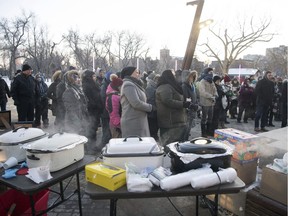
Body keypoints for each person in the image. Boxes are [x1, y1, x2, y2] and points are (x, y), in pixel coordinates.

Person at [156, 69, 188, 149]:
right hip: (170, 122)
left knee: (176, 144)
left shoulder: (171, 86)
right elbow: (167, 101)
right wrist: (183, 104)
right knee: (169, 145)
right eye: (173, 75)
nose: (174, 76)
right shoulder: (164, 87)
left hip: (176, 120)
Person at [120, 66, 153, 138]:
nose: (139, 74)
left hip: (137, 120)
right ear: (130, 74)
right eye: (137, 72)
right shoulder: (128, 85)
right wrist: (150, 107)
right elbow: (136, 103)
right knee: (134, 146)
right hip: (132, 122)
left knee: (141, 146)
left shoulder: (134, 84)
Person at [62, 70, 89, 135]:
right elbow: (71, 111)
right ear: (71, 81)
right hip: (74, 124)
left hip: (81, 119)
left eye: (79, 78)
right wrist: (78, 125)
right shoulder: (69, 92)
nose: (78, 80)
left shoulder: (79, 90)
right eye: (75, 78)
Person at [82, 69, 103, 143]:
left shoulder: (94, 84)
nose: (95, 77)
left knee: (94, 127)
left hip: (96, 109)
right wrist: (95, 104)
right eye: (93, 76)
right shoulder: (86, 86)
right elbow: (88, 99)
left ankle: (92, 143)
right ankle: (90, 144)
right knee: (91, 127)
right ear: (89, 77)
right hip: (92, 110)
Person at [198, 67, 218, 137]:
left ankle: (208, 131)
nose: (211, 74)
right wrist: (211, 96)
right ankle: (203, 133)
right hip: (205, 102)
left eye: (212, 73)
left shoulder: (211, 81)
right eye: (210, 73)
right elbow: (202, 92)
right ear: (206, 73)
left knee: (210, 118)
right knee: (204, 118)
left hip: (211, 103)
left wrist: (215, 95)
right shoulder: (202, 82)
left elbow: (215, 89)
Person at [181, 70, 199, 141]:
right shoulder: (184, 86)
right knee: (186, 128)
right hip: (188, 110)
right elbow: (186, 98)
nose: (192, 78)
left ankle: (185, 140)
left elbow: (196, 96)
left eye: (194, 77)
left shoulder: (193, 86)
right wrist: (191, 105)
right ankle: (183, 141)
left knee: (189, 128)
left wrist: (197, 104)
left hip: (193, 108)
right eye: (191, 76)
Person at [145, 72, 160, 141]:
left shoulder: (153, 87)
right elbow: (150, 100)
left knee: (154, 132)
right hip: (152, 114)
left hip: (154, 113)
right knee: (152, 132)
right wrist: (155, 108)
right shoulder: (150, 88)